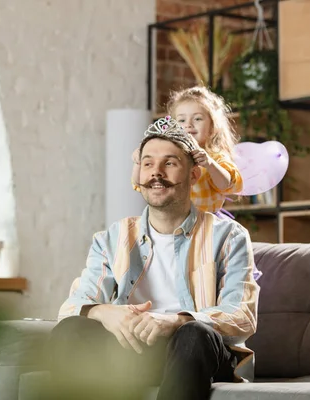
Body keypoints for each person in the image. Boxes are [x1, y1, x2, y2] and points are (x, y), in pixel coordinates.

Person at [48, 117, 260, 400]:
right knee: (70, 330)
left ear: (194, 174)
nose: (156, 173)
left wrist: (175, 321)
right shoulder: (112, 237)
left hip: (196, 353)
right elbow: (72, 306)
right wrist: (106, 313)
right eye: (147, 164)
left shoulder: (229, 236)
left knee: (194, 334)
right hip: (133, 352)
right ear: (139, 176)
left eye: (169, 163)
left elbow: (241, 315)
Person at [132, 86, 243, 214]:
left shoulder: (215, 157)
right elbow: (138, 183)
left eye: (197, 119)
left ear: (213, 127)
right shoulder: (168, 156)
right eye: (182, 120)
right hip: (173, 222)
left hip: (204, 223)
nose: (188, 124)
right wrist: (139, 162)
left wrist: (210, 164)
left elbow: (227, 185)